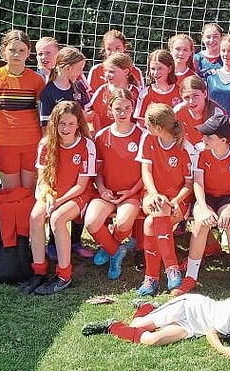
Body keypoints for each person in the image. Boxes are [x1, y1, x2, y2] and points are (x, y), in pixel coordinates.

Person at [81, 271, 230, 360]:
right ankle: (145, 307)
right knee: (137, 324)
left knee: (152, 339)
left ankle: (112, 325)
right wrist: (224, 350)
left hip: (194, 327)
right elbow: (212, 332)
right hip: (190, 308)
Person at [20, 101, 96, 295]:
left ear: (78, 124)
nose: (66, 128)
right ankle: (39, 271)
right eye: (62, 123)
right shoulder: (46, 144)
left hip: (77, 194)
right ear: (55, 123)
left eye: (71, 123)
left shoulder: (87, 145)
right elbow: (43, 181)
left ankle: (64, 275)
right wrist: (47, 196)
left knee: (57, 219)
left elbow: (81, 186)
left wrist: (58, 202)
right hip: (53, 194)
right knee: (36, 217)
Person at [180, 112, 230, 296]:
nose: (203, 138)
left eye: (209, 136)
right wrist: (203, 208)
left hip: (229, 197)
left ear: (223, 140)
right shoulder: (200, 150)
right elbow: (197, 182)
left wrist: (229, 210)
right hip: (206, 196)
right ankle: (190, 277)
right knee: (200, 224)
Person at [135, 103, 198, 296]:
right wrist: (153, 193)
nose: (145, 127)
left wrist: (176, 200)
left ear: (158, 128)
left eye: (147, 124)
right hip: (152, 195)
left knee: (148, 225)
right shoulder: (148, 139)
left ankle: (151, 277)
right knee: (158, 210)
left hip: (179, 200)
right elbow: (145, 170)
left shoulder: (185, 148)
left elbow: (189, 184)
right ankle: (172, 268)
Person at [38, 46, 93, 260]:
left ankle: (76, 241)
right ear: (67, 68)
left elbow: (86, 115)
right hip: (58, 149)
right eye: (78, 69)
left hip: (79, 146)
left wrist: (88, 139)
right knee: (58, 190)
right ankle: (53, 243)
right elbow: (45, 126)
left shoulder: (78, 86)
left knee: (79, 191)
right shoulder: (49, 91)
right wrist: (51, 145)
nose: (81, 73)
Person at [85, 88, 144, 281]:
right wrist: (101, 189)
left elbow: (148, 172)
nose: (123, 112)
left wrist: (131, 192)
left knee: (123, 222)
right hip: (107, 193)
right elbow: (98, 171)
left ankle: (108, 245)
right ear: (110, 110)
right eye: (118, 108)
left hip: (132, 193)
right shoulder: (102, 136)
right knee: (91, 222)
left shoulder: (142, 136)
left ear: (133, 108)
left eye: (127, 108)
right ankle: (115, 251)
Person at [0, 29, 46, 190]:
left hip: (32, 143)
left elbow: (43, 117)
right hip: (5, 144)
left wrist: (46, 144)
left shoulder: (37, 80)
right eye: (12, 50)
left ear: (29, 52)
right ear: (3, 51)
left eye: (21, 50)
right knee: (12, 193)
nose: (16, 54)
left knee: (29, 192)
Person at [85, 53, 141, 134]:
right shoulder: (102, 91)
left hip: (130, 139)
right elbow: (93, 116)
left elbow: (140, 120)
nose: (107, 75)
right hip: (106, 140)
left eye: (111, 71)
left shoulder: (136, 93)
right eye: (106, 71)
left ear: (125, 71)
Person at [174, 75, 227, 145]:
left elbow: (219, 144)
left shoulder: (216, 114)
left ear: (205, 94)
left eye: (195, 96)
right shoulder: (177, 111)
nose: (191, 101)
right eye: (186, 97)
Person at [135, 49, 182, 127]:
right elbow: (141, 124)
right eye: (153, 69)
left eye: (160, 68)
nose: (156, 73)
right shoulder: (145, 94)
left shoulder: (180, 92)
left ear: (170, 69)